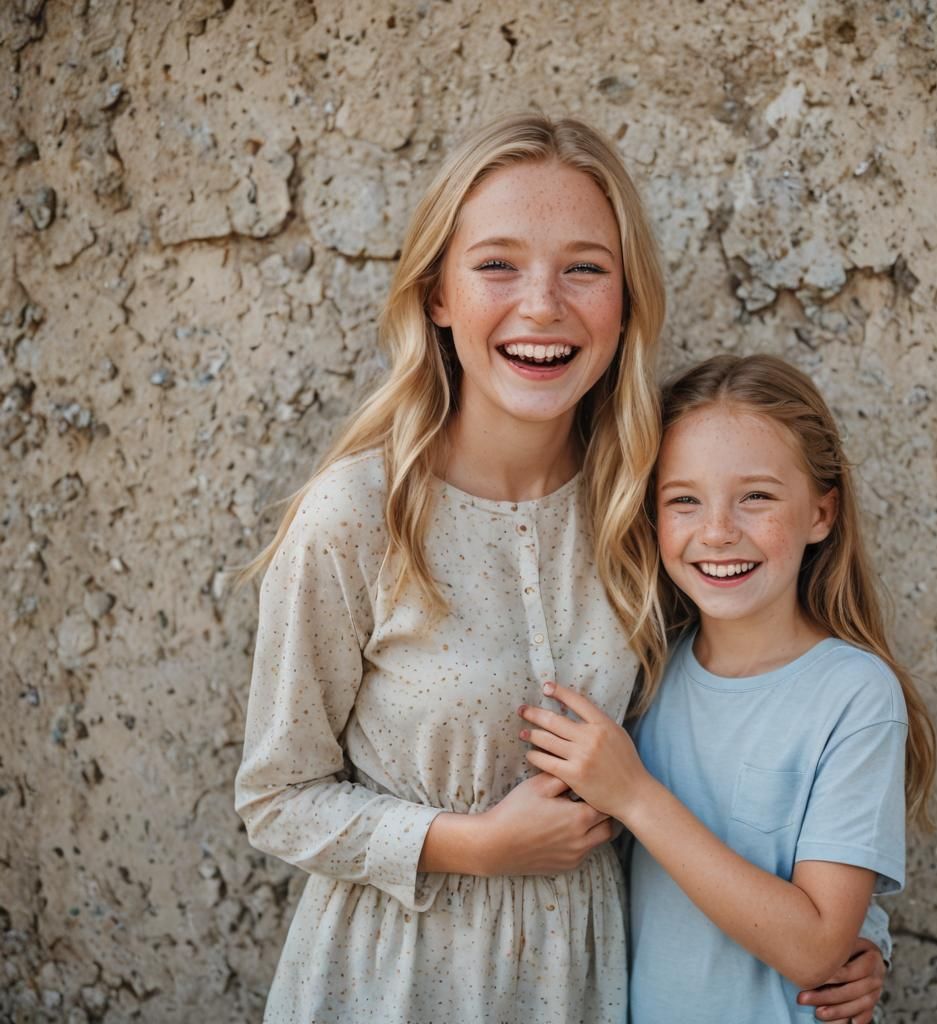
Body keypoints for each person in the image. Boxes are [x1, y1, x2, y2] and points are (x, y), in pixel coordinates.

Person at [235, 114, 890, 1023]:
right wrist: (471, 845)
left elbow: (732, 741)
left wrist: (850, 941)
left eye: (584, 268)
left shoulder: (650, 504)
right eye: (497, 264)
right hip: (392, 980)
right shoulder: (358, 516)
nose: (542, 304)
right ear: (437, 295)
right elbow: (276, 798)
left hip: (582, 983)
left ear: (624, 304)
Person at [519, 353, 937, 1024]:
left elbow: (814, 949)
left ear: (822, 513)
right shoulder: (644, 676)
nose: (717, 531)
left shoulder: (855, 696)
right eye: (684, 500)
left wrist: (634, 796)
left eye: (757, 497)